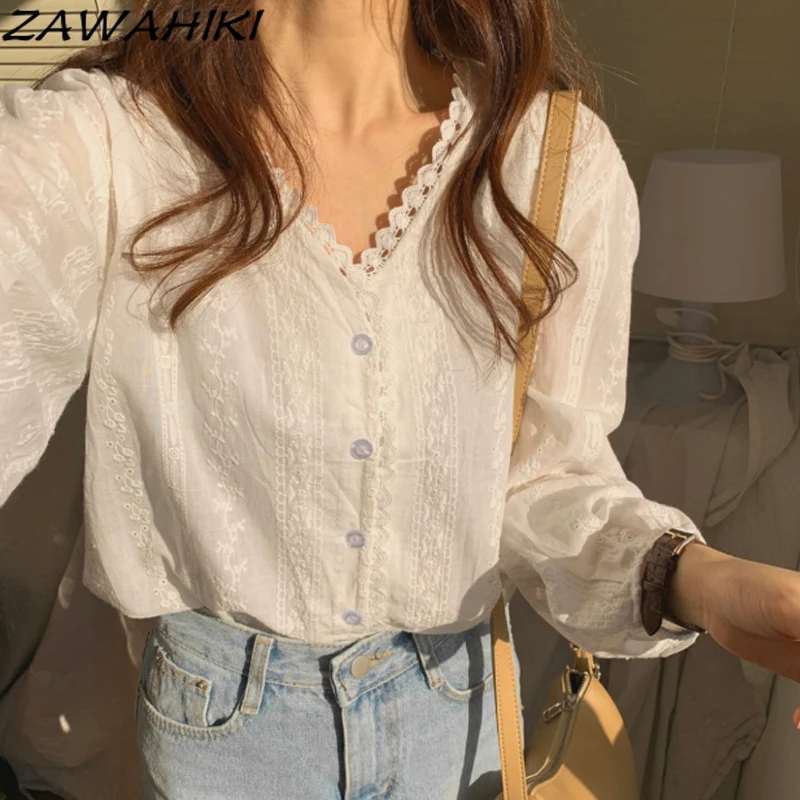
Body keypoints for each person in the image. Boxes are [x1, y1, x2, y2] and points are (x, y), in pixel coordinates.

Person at [1, 1, 798, 798]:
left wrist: (701, 580)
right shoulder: (97, 140)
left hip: (456, 714)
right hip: (223, 729)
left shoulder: (549, 157)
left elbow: (546, 479)